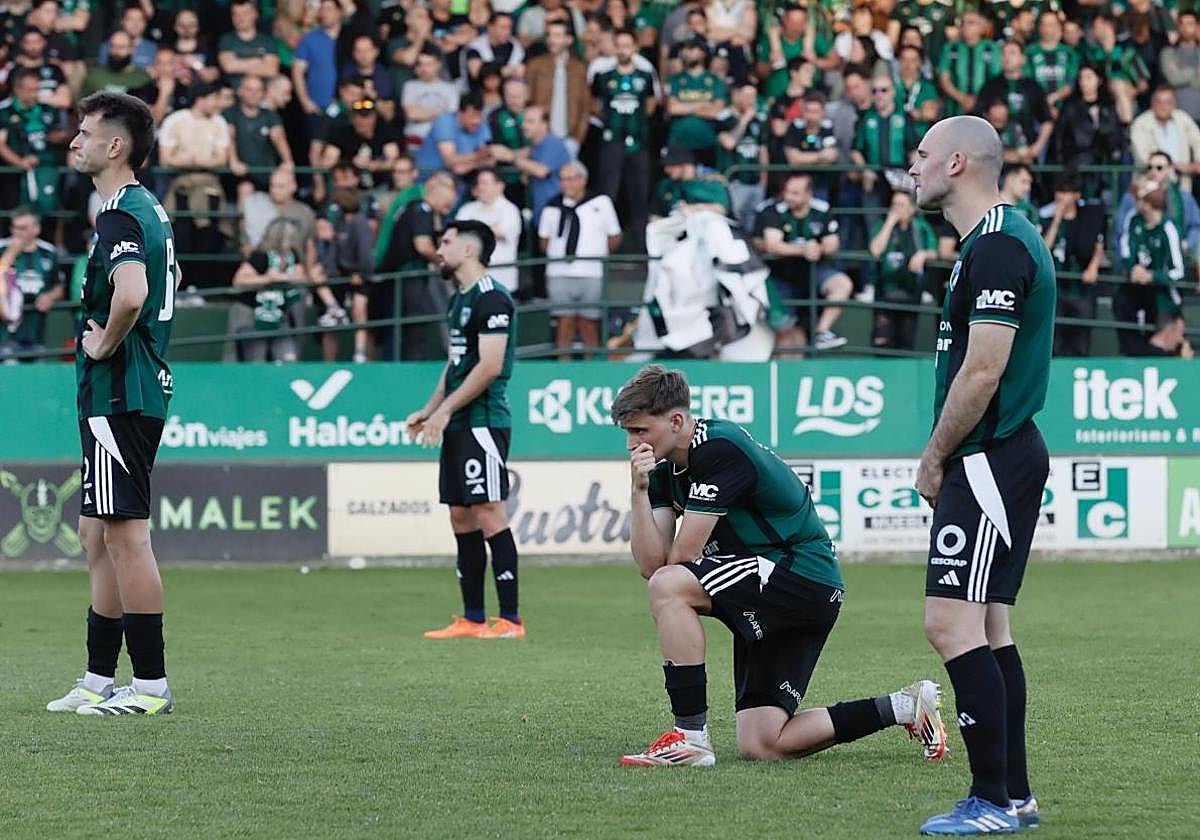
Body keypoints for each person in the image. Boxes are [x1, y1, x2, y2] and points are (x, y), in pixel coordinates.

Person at [611, 364, 946, 767]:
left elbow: (679, 561)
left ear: (677, 420)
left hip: (799, 575)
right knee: (763, 743)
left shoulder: (719, 448)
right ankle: (905, 707)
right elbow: (651, 564)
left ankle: (690, 738)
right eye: (629, 433)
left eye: (640, 431)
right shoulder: (663, 470)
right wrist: (639, 490)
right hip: (775, 587)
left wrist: (669, 568)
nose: (633, 443)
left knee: (670, 587)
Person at [908, 115, 1056, 835]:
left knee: (949, 622)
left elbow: (985, 368)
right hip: (1000, 453)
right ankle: (1013, 796)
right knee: (990, 626)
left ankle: (993, 800)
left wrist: (936, 454)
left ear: (958, 163)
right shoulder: (991, 241)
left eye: (923, 156)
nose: (913, 168)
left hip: (990, 455)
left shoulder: (997, 246)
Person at [46, 92, 178, 716]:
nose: (74, 141)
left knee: (126, 537)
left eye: (85, 132)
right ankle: (100, 677)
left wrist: (103, 346)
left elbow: (131, 294)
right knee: (95, 534)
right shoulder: (139, 208)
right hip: (120, 391)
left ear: (115, 147)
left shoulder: (122, 213)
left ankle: (149, 686)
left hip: (122, 390)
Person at [406, 219, 524, 641]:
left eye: (447, 242)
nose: (440, 249)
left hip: (484, 423)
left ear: (470, 250)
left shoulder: (493, 299)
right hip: (459, 423)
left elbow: (490, 367)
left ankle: (510, 621)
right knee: (460, 514)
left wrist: (447, 411)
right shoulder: (460, 300)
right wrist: (430, 409)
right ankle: (473, 618)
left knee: (490, 512)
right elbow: (457, 364)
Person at [759, 171, 851, 352]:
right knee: (790, 338)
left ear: (808, 194)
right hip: (781, 276)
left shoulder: (821, 209)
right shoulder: (773, 209)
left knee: (842, 285)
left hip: (814, 271)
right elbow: (773, 244)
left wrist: (819, 249)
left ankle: (822, 332)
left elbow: (833, 243)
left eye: (795, 193)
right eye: (787, 191)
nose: (788, 197)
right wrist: (804, 250)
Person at [539, 160, 621, 359]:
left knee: (589, 323)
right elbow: (544, 242)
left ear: (582, 180)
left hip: (591, 272)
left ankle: (590, 369)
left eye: (571, 179)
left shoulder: (601, 203)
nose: (566, 184)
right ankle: (563, 366)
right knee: (563, 322)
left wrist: (596, 254)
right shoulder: (552, 207)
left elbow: (614, 237)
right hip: (559, 273)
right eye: (563, 179)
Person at [591, 27, 658, 252]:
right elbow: (595, 106)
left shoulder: (645, 75)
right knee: (607, 195)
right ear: (614, 47)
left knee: (639, 197)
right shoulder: (603, 77)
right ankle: (602, 248)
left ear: (635, 48)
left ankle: (642, 250)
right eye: (619, 45)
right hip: (612, 142)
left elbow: (650, 105)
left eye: (627, 45)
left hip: (639, 143)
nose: (623, 50)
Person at [1116, 180, 1186, 357]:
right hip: (1136, 289)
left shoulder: (1168, 228)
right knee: (1121, 303)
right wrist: (1134, 269)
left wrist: (1152, 276)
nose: (1135, 202)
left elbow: (1178, 271)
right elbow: (1126, 251)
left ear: (1149, 202)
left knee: (1160, 341)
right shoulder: (1133, 220)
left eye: (1139, 198)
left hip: (1162, 296)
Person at [231, 217, 312, 363]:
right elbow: (239, 280)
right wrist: (267, 279)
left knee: (288, 358)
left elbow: (302, 276)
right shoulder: (260, 256)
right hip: (254, 314)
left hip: (280, 316)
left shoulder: (292, 255)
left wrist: (285, 277)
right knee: (257, 359)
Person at [864, 190, 937, 351]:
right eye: (894, 205)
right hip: (886, 292)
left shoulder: (921, 228)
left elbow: (934, 251)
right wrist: (890, 223)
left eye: (901, 205)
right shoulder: (883, 226)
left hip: (910, 291)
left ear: (912, 209)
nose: (897, 209)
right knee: (882, 341)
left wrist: (923, 254)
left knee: (906, 341)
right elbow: (875, 250)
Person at [1043, 171, 1104, 357]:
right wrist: (1056, 220)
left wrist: (1093, 266)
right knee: (1054, 341)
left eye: (1066, 191)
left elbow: (1098, 244)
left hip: (1080, 288)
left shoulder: (1090, 217)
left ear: (1077, 194)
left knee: (1081, 341)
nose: (1061, 196)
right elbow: (1043, 250)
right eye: (1059, 191)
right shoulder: (1046, 218)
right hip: (1055, 287)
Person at [0, 205, 63, 360]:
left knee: (38, 372)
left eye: (22, 228)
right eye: (14, 227)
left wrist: (50, 297)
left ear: (36, 229)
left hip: (36, 330)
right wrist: (11, 253)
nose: (16, 232)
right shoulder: (2, 248)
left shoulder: (48, 251)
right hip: (6, 333)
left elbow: (59, 286)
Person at [455, 168, 522, 292]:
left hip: (502, 281)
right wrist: (488, 228)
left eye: (485, 183)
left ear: (500, 186)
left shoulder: (510, 210)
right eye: (479, 183)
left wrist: (471, 229)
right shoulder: (467, 209)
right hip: (471, 281)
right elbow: (457, 234)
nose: (480, 187)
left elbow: (500, 232)